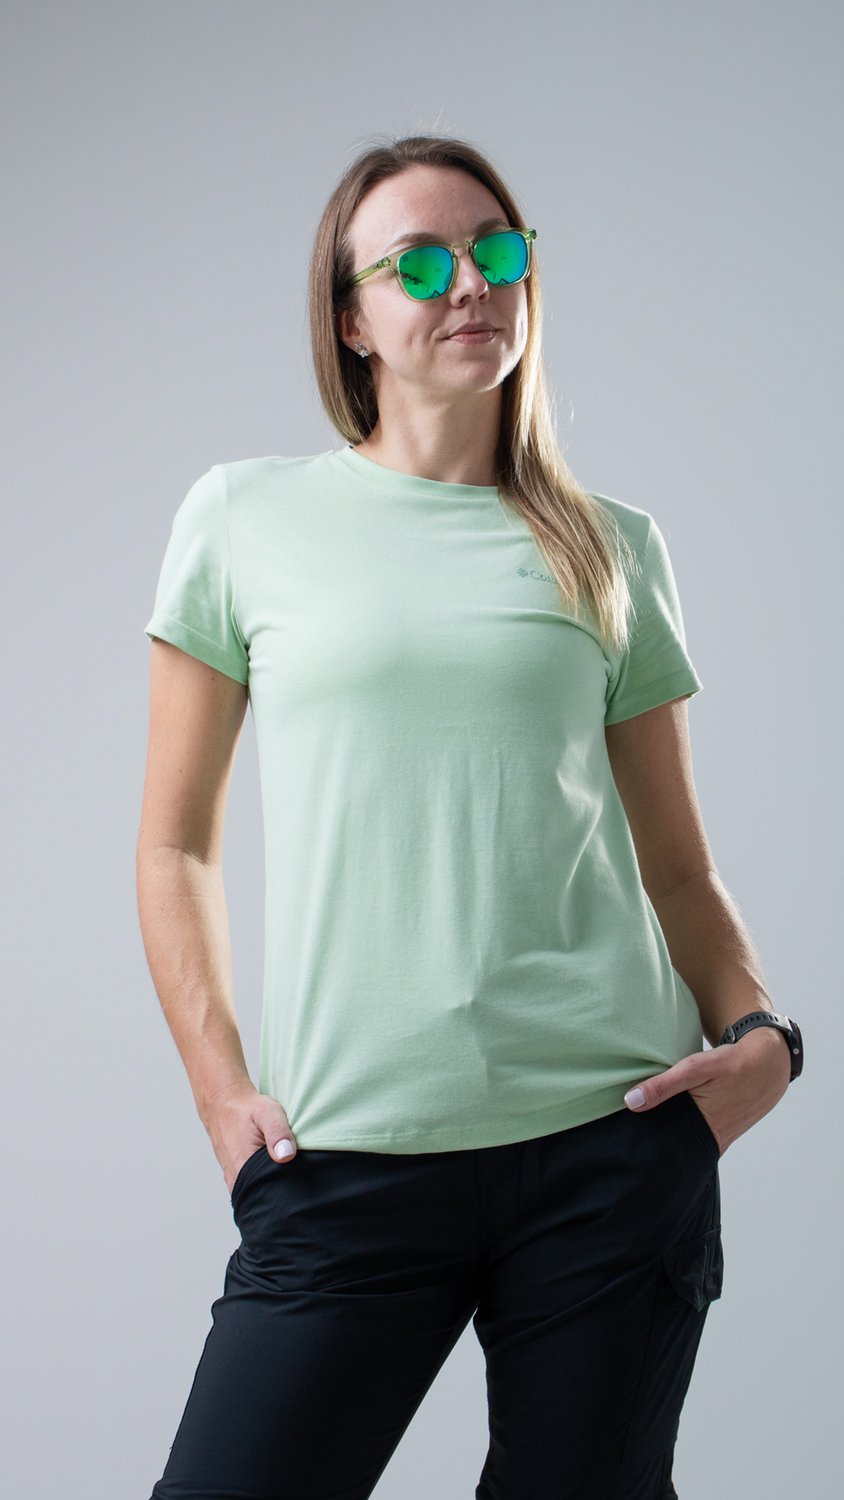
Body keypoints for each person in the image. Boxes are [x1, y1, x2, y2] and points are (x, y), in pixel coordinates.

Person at [138, 134, 801, 1500]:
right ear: (351, 320)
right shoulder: (244, 518)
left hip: (610, 1145)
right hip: (348, 1150)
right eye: (421, 264)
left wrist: (764, 1039)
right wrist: (219, 1092)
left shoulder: (612, 545)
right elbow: (175, 842)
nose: (472, 286)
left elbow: (678, 866)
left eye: (496, 251)